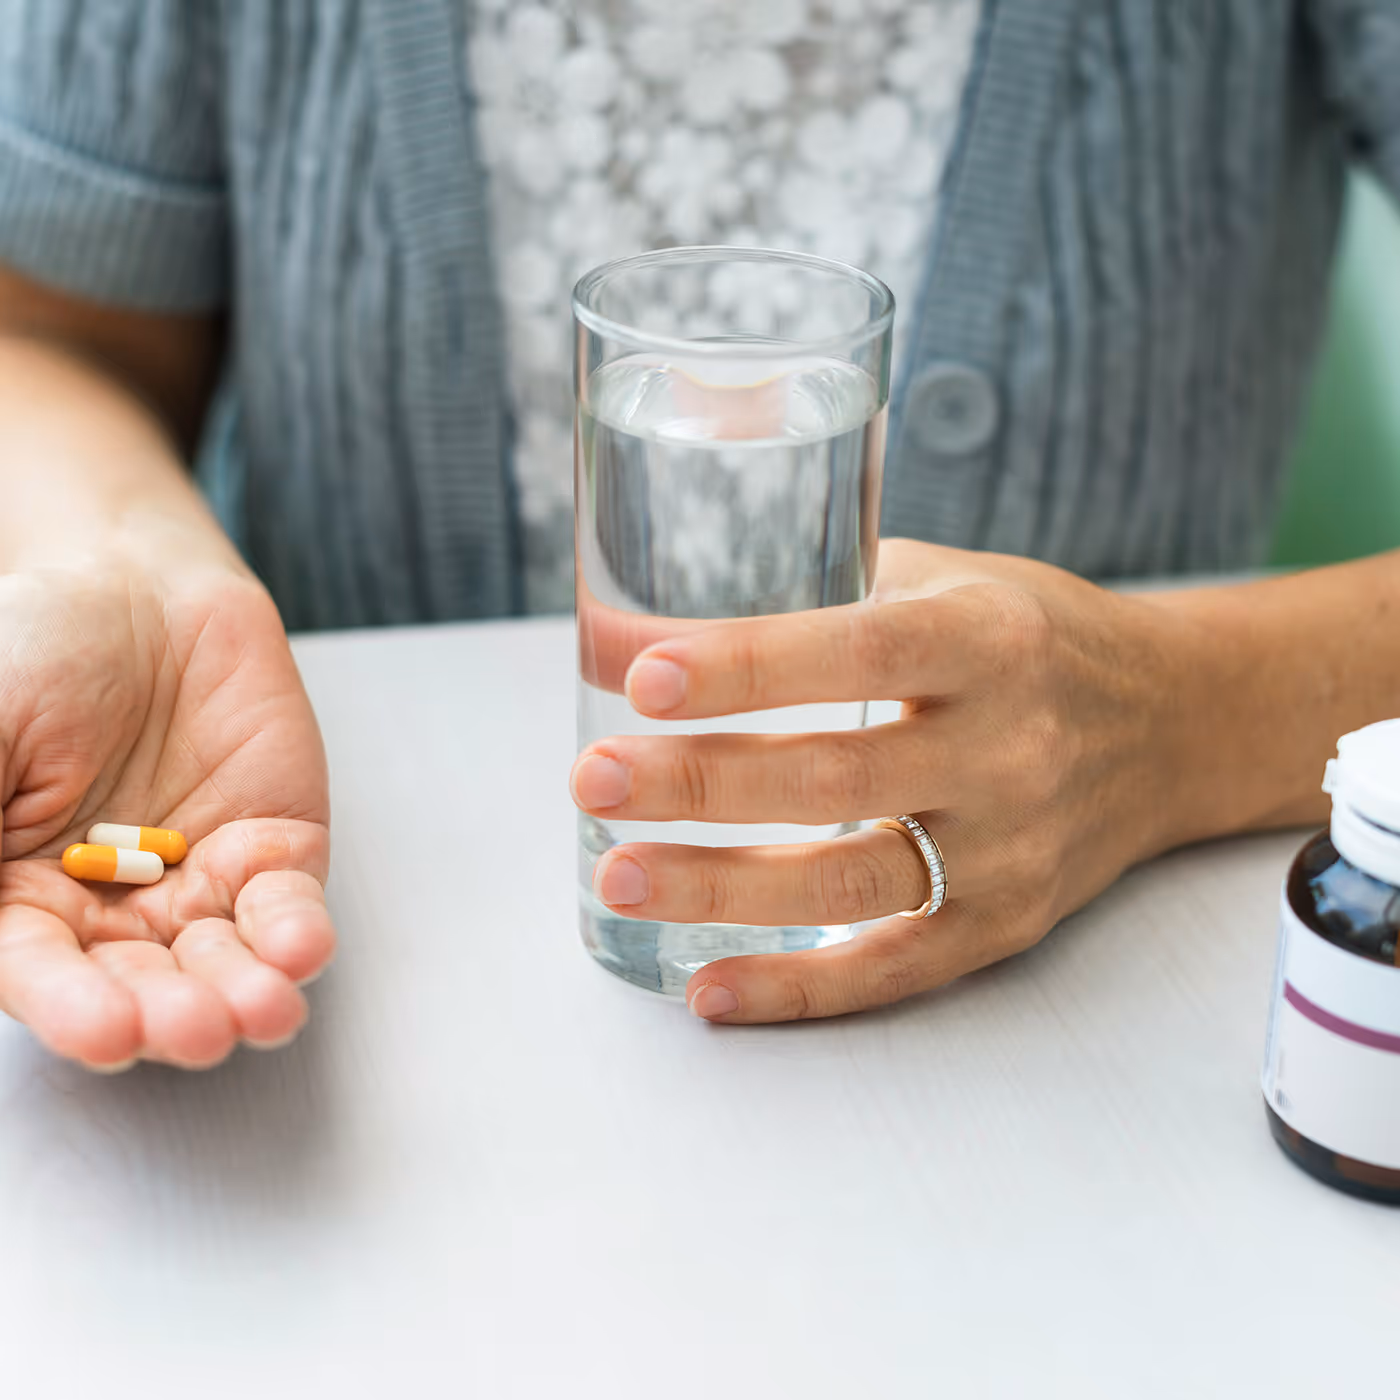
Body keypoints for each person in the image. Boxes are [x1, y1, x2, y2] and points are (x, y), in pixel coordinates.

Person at [2, 0, 1399, 1066]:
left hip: (1098, 1050)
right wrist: (129, 567)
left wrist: (1180, 718)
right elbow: (57, 328)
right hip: (416, 1013)